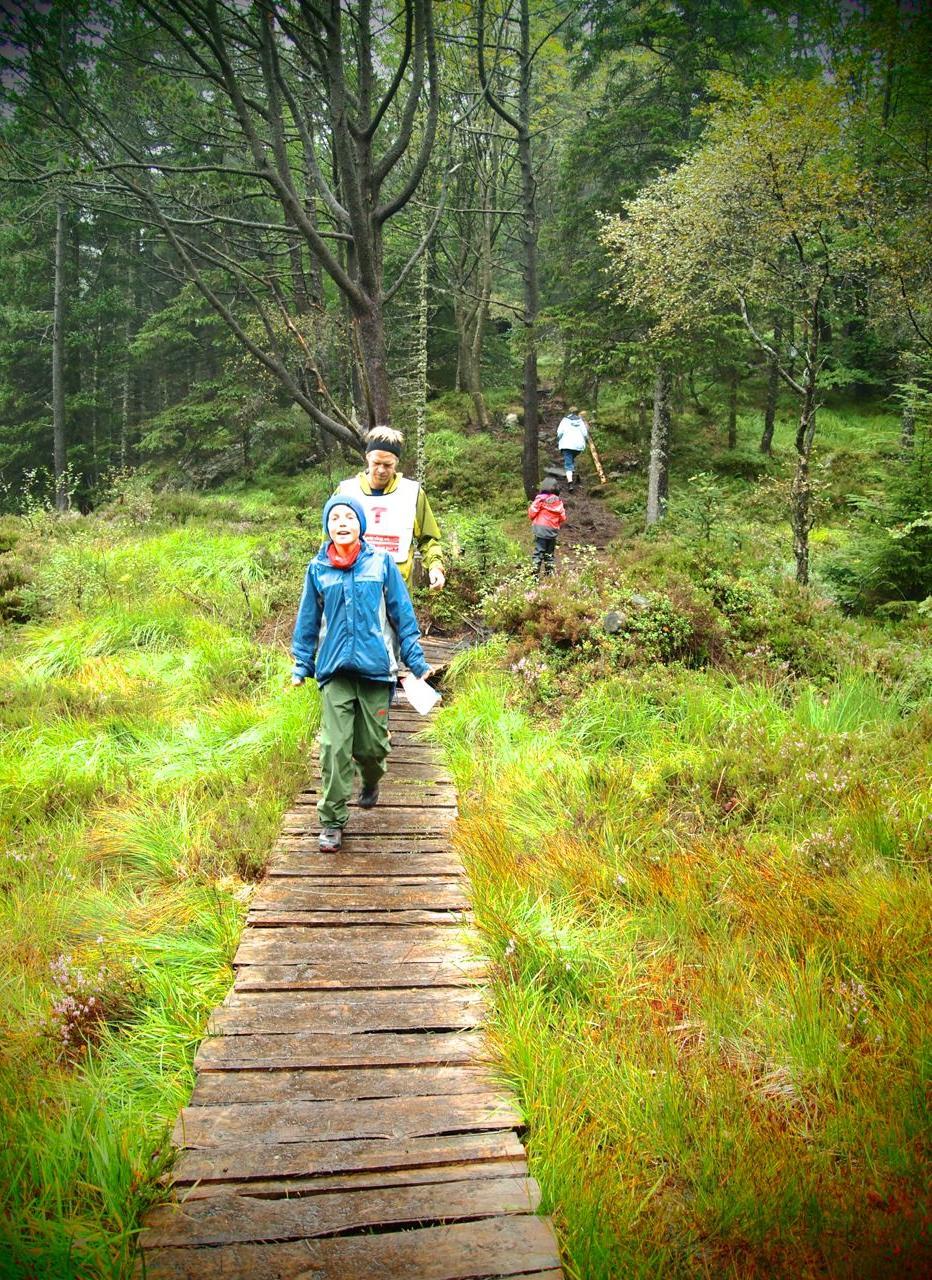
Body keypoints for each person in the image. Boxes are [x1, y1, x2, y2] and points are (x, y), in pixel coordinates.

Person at [291, 495, 431, 853]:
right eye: (334, 517)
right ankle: (332, 821)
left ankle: (371, 778)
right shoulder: (317, 569)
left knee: (371, 747)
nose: (341, 522)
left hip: (376, 670)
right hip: (334, 671)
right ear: (327, 526)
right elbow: (308, 621)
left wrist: (415, 661)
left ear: (360, 526)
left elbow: (402, 615)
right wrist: (302, 664)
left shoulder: (381, 563)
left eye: (349, 517)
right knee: (334, 747)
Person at [336, 427, 445, 592]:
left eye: (387, 465)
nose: (381, 470)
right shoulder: (346, 492)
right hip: (353, 588)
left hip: (396, 592)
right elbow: (329, 541)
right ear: (367, 458)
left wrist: (436, 567)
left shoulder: (412, 494)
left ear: (396, 463)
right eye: (376, 463)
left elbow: (428, 539)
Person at [527, 480, 566, 576]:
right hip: (552, 530)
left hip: (540, 530)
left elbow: (532, 513)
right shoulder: (559, 502)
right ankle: (549, 574)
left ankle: (534, 575)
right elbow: (563, 517)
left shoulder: (540, 499)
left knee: (539, 552)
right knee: (549, 554)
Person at [556, 407, 589, 486]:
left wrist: (559, 439)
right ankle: (577, 475)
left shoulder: (565, 420)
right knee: (574, 460)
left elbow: (559, 432)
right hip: (579, 446)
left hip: (567, 445)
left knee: (568, 464)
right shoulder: (580, 421)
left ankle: (570, 482)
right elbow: (585, 434)